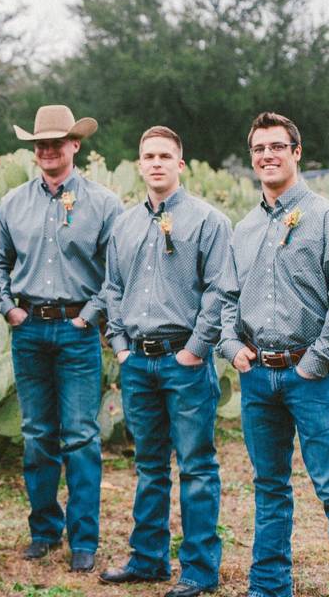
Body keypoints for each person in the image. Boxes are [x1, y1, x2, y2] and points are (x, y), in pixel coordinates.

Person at [219, 112, 329, 597]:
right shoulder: (242, 228)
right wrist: (231, 346)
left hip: (312, 376)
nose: (267, 155)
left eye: (277, 146)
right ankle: (268, 587)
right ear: (253, 157)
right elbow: (226, 297)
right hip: (257, 378)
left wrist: (314, 363)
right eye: (259, 148)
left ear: (296, 152)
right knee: (269, 487)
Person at [0, 105, 122, 572]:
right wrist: (10, 310)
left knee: (81, 436)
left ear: (75, 145)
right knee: (37, 435)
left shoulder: (104, 204)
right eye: (39, 144)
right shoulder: (12, 204)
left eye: (55, 142)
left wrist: (89, 316)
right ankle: (44, 529)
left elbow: (116, 272)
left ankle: (83, 538)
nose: (47, 150)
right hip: (28, 331)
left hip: (77, 331)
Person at [100, 126, 230, 597]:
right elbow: (112, 288)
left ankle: (198, 568)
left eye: (164, 156)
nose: (156, 163)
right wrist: (119, 346)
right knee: (149, 465)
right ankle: (148, 558)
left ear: (180, 163)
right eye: (148, 156)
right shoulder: (124, 225)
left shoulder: (207, 221)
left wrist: (195, 349)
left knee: (196, 466)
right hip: (137, 360)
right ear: (139, 164)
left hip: (185, 361)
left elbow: (219, 290)